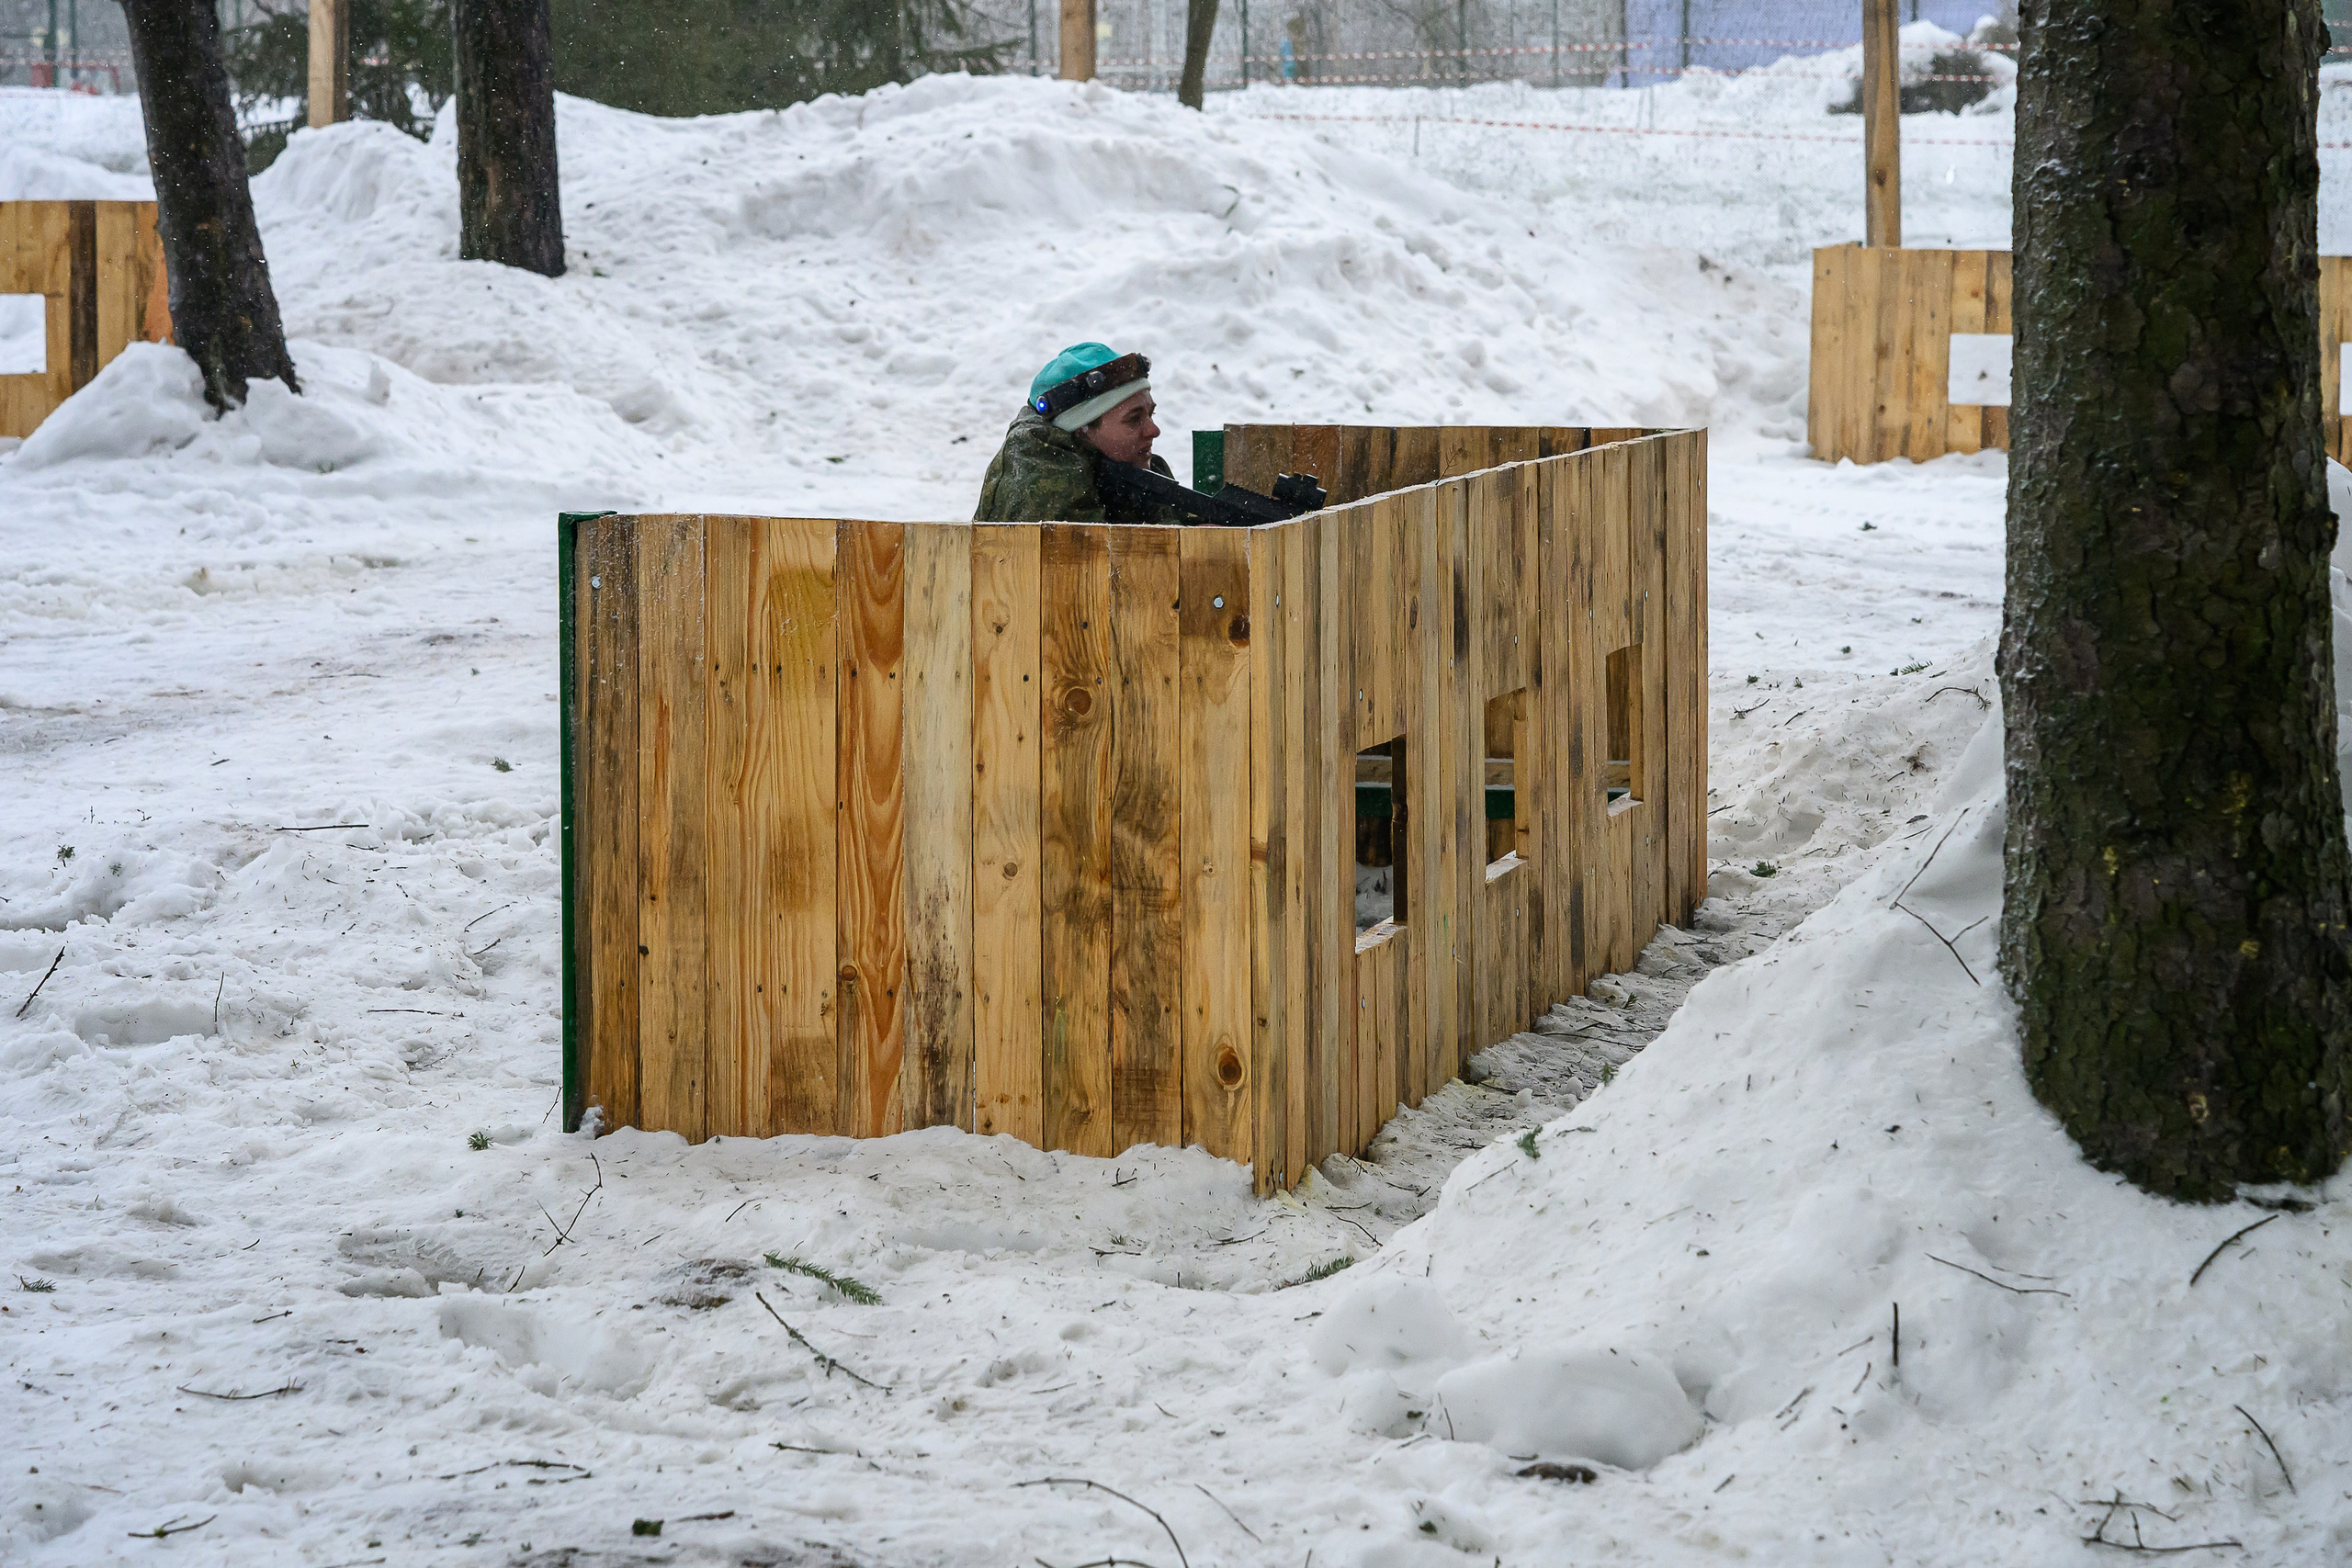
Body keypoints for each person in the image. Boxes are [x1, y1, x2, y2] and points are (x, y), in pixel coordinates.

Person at [973, 343, 1182, 525]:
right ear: (1081, 431)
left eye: (1151, 414)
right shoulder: (1042, 475)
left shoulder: (1114, 472)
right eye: (1134, 419)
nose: (1154, 430)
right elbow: (1093, 562)